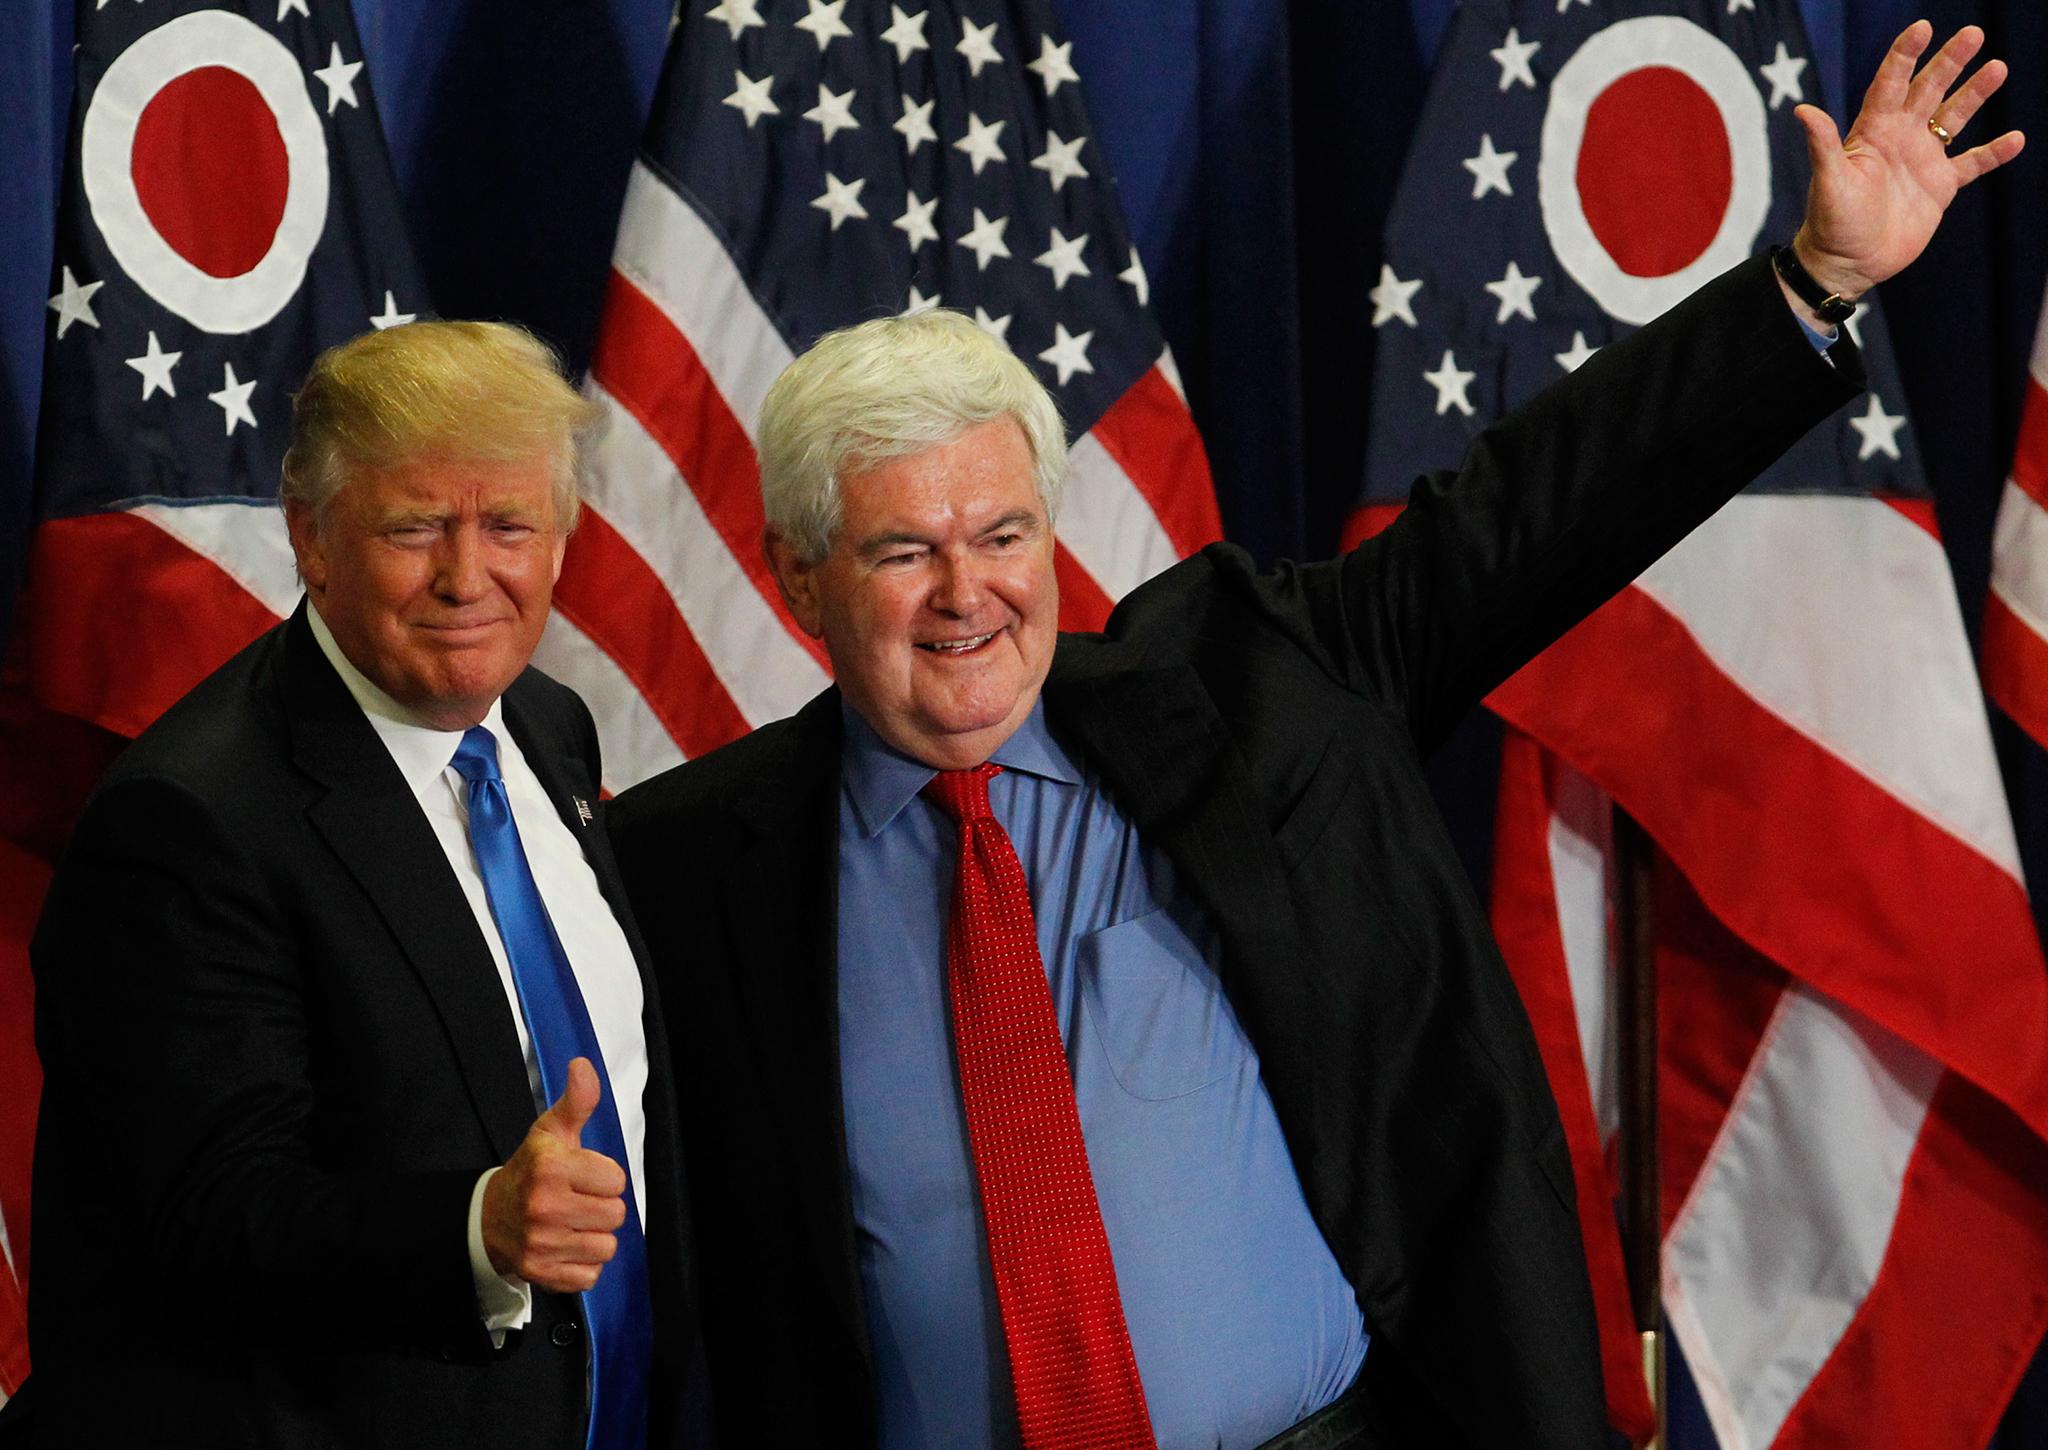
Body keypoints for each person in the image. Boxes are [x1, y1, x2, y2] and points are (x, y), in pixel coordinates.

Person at [607, 22, 2019, 1450]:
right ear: (797, 577)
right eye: (904, 550)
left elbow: (1529, 516)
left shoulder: (1248, 684)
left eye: (1004, 533)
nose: (970, 593)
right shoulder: (681, 867)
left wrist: (1810, 281)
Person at [28, 322, 696, 1447]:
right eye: (414, 527)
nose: (466, 575)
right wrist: (476, 1230)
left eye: (508, 525)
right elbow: (203, 1215)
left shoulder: (546, 727)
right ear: (312, 536)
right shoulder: (190, 821)